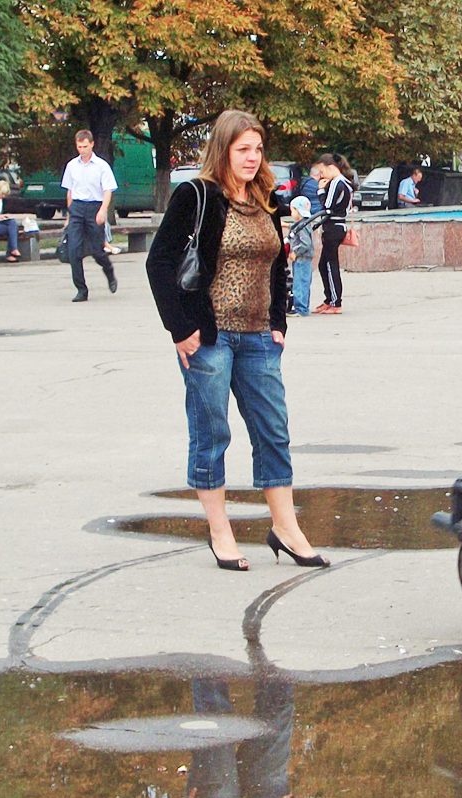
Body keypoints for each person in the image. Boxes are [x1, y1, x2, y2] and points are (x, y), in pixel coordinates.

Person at [146, 109, 329, 572]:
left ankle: (286, 529)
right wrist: (181, 330)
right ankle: (220, 530)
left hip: (259, 339)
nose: (252, 158)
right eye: (242, 149)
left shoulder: (265, 198)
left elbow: (275, 262)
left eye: (258, 149)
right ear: (224, 149)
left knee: (273, 431)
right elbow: (159, 262)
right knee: (212, 434)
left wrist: (279, 322)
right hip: (209, 338)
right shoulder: (197, 195)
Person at [62, 130, 118, 302]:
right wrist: (69, 215)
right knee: (74, 251)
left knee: (97, 250)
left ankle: (108, 270)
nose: (82, 150)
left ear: (92, 144)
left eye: (85, 146)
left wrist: (103, 210)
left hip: (95, 207)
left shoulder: (101, 166)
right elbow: (70, 192)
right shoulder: (72, 165)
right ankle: (81, 289)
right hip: (77, 208)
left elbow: (107, 190)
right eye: (79, 146)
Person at [314, 154, 355, 315]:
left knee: (330, 265)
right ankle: (329, 299)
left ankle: (335, 302)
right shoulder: (346, 182)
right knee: (323, 265)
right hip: (338, 226)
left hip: (332, 228)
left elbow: (328, 207)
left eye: (322, 171)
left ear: (331, 168)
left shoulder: (336, 183)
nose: (321, 176)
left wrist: (320, 191)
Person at [286, 196, 317, 317]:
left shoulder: (302, 227)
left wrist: (295, 252)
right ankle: (302, 306)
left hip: (302, 259)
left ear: (298, 211)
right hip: (303, 259)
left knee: (300, 283)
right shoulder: (303, 224)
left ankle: (301, 308)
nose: (291, 214)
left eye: (292, 211)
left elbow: (306, 243)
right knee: (302, 282)